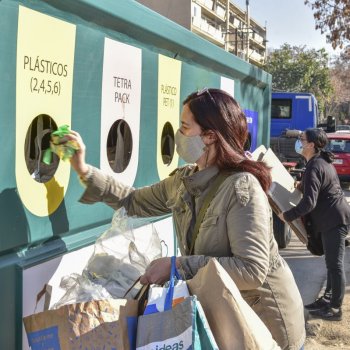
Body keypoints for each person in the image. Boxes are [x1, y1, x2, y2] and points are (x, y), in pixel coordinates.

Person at [68, 88, 305, 349]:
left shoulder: (241, 187)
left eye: (184, 127)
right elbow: (133, 201)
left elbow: (251, 270)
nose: (178, 135)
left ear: (210, 136)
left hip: (264, 325)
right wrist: (83, 169)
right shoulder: (185, 180)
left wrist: (178, 265)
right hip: (227, 317)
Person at [280, 128, 350, 321]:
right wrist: (301, 186)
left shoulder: (314, 165)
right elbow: (321, 186)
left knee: (334, 265)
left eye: (302, 139)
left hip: (334, 219)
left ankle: (335, 309)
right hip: (333, 217)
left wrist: (287, 215)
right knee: (330, 262)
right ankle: (327, 300)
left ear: (311, 145)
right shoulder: (319, 162)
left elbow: (309, 203)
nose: (299, 142)